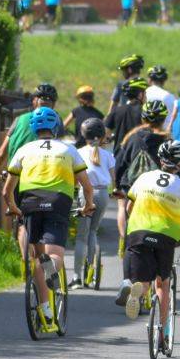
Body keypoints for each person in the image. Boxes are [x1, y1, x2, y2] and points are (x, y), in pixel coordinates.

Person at [2, 108, 95, 325]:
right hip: (58, 202)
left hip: (30, 202)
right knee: (53, 255)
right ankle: (52, 265)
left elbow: (7, 191)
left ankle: (45, 309)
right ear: (56, 127)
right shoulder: (68, 149)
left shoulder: (24, 149)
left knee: (37, 257)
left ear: (34, 128)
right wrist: (88, 205)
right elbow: (87, 186)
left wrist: (14, 208)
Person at [121, 141, 180, 336]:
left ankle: (138, 292)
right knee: (163, 283)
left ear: (160, 159)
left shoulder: (144, 177)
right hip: (165, 235)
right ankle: (163, 331)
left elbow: (129, 207)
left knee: (143, 281)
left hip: (139, 231)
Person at [112, 98, 171, 307]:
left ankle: (128, 280)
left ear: (143, 117)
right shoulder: (167, 140)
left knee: (133, 238)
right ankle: (151, 281)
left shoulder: (133, 137)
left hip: (133, 189)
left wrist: (118, 186)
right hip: (158, 192)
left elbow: (120, 164)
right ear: (163, 119)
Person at [72, 118, 114, 287]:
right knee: (93, 231)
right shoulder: (108, 155)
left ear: (84, 135)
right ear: (102, 135)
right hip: (103, 193)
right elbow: (113, 180)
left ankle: (77, 277)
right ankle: (91, 273)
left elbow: (75, 177)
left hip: (85, 192)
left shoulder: (78, 152)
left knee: (81, 235)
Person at [0, 83, 61, 180]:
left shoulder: (19, 120)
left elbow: (2, 153)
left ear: (34, 101)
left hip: (15, 177)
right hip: (43, 178)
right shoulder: (56, 121)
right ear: (53, 105)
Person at [105, 77, 148, 145]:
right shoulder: (146, 112)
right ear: (140, 95)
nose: (146, 97)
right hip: (137, 151)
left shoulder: (116, 110)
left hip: (119, 151)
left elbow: (106, 133)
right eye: (145, 93)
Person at [144, 64, 177, 129]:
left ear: (150, 79)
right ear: (164, 80)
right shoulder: (169, 96)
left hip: (146, 130)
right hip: (164, 131)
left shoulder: (144, 93)